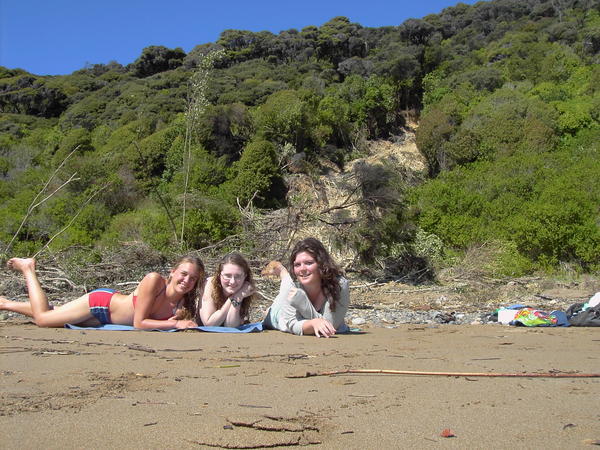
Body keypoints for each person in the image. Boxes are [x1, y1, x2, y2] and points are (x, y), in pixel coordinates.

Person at [0, 255, 205, 329]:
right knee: (44, 319)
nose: (186, 281)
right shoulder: (155, 281)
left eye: (193, 278)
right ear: (173, 272)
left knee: (57, 312)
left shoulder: (184, 302)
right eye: (183, 274)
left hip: (105, 320)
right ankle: (28, 268)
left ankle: (6, 304)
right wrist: (176, 323)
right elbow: (139, 323)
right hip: (99, 305)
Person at [262, 237, 349, 337]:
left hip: (298, 309)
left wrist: (303, 302)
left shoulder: (339, 285)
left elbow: (328, 326)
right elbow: (292, 324)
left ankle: (282, 272)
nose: (302, 269)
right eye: (297, 265)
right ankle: (282, 273)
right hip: (279, 317)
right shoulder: (291, 287)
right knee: (274, 315)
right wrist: (313, 323)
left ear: (321, 264)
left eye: (309, 263)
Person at [199, 252, 256, 327]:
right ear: (219, 275)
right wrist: (232, 298)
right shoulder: (209, 284)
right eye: (227, 276)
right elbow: (209, 323)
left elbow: (231, 325)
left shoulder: (245, 288)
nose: (232, 281)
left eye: (238, 276)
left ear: (245, 276)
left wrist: (238, 297)